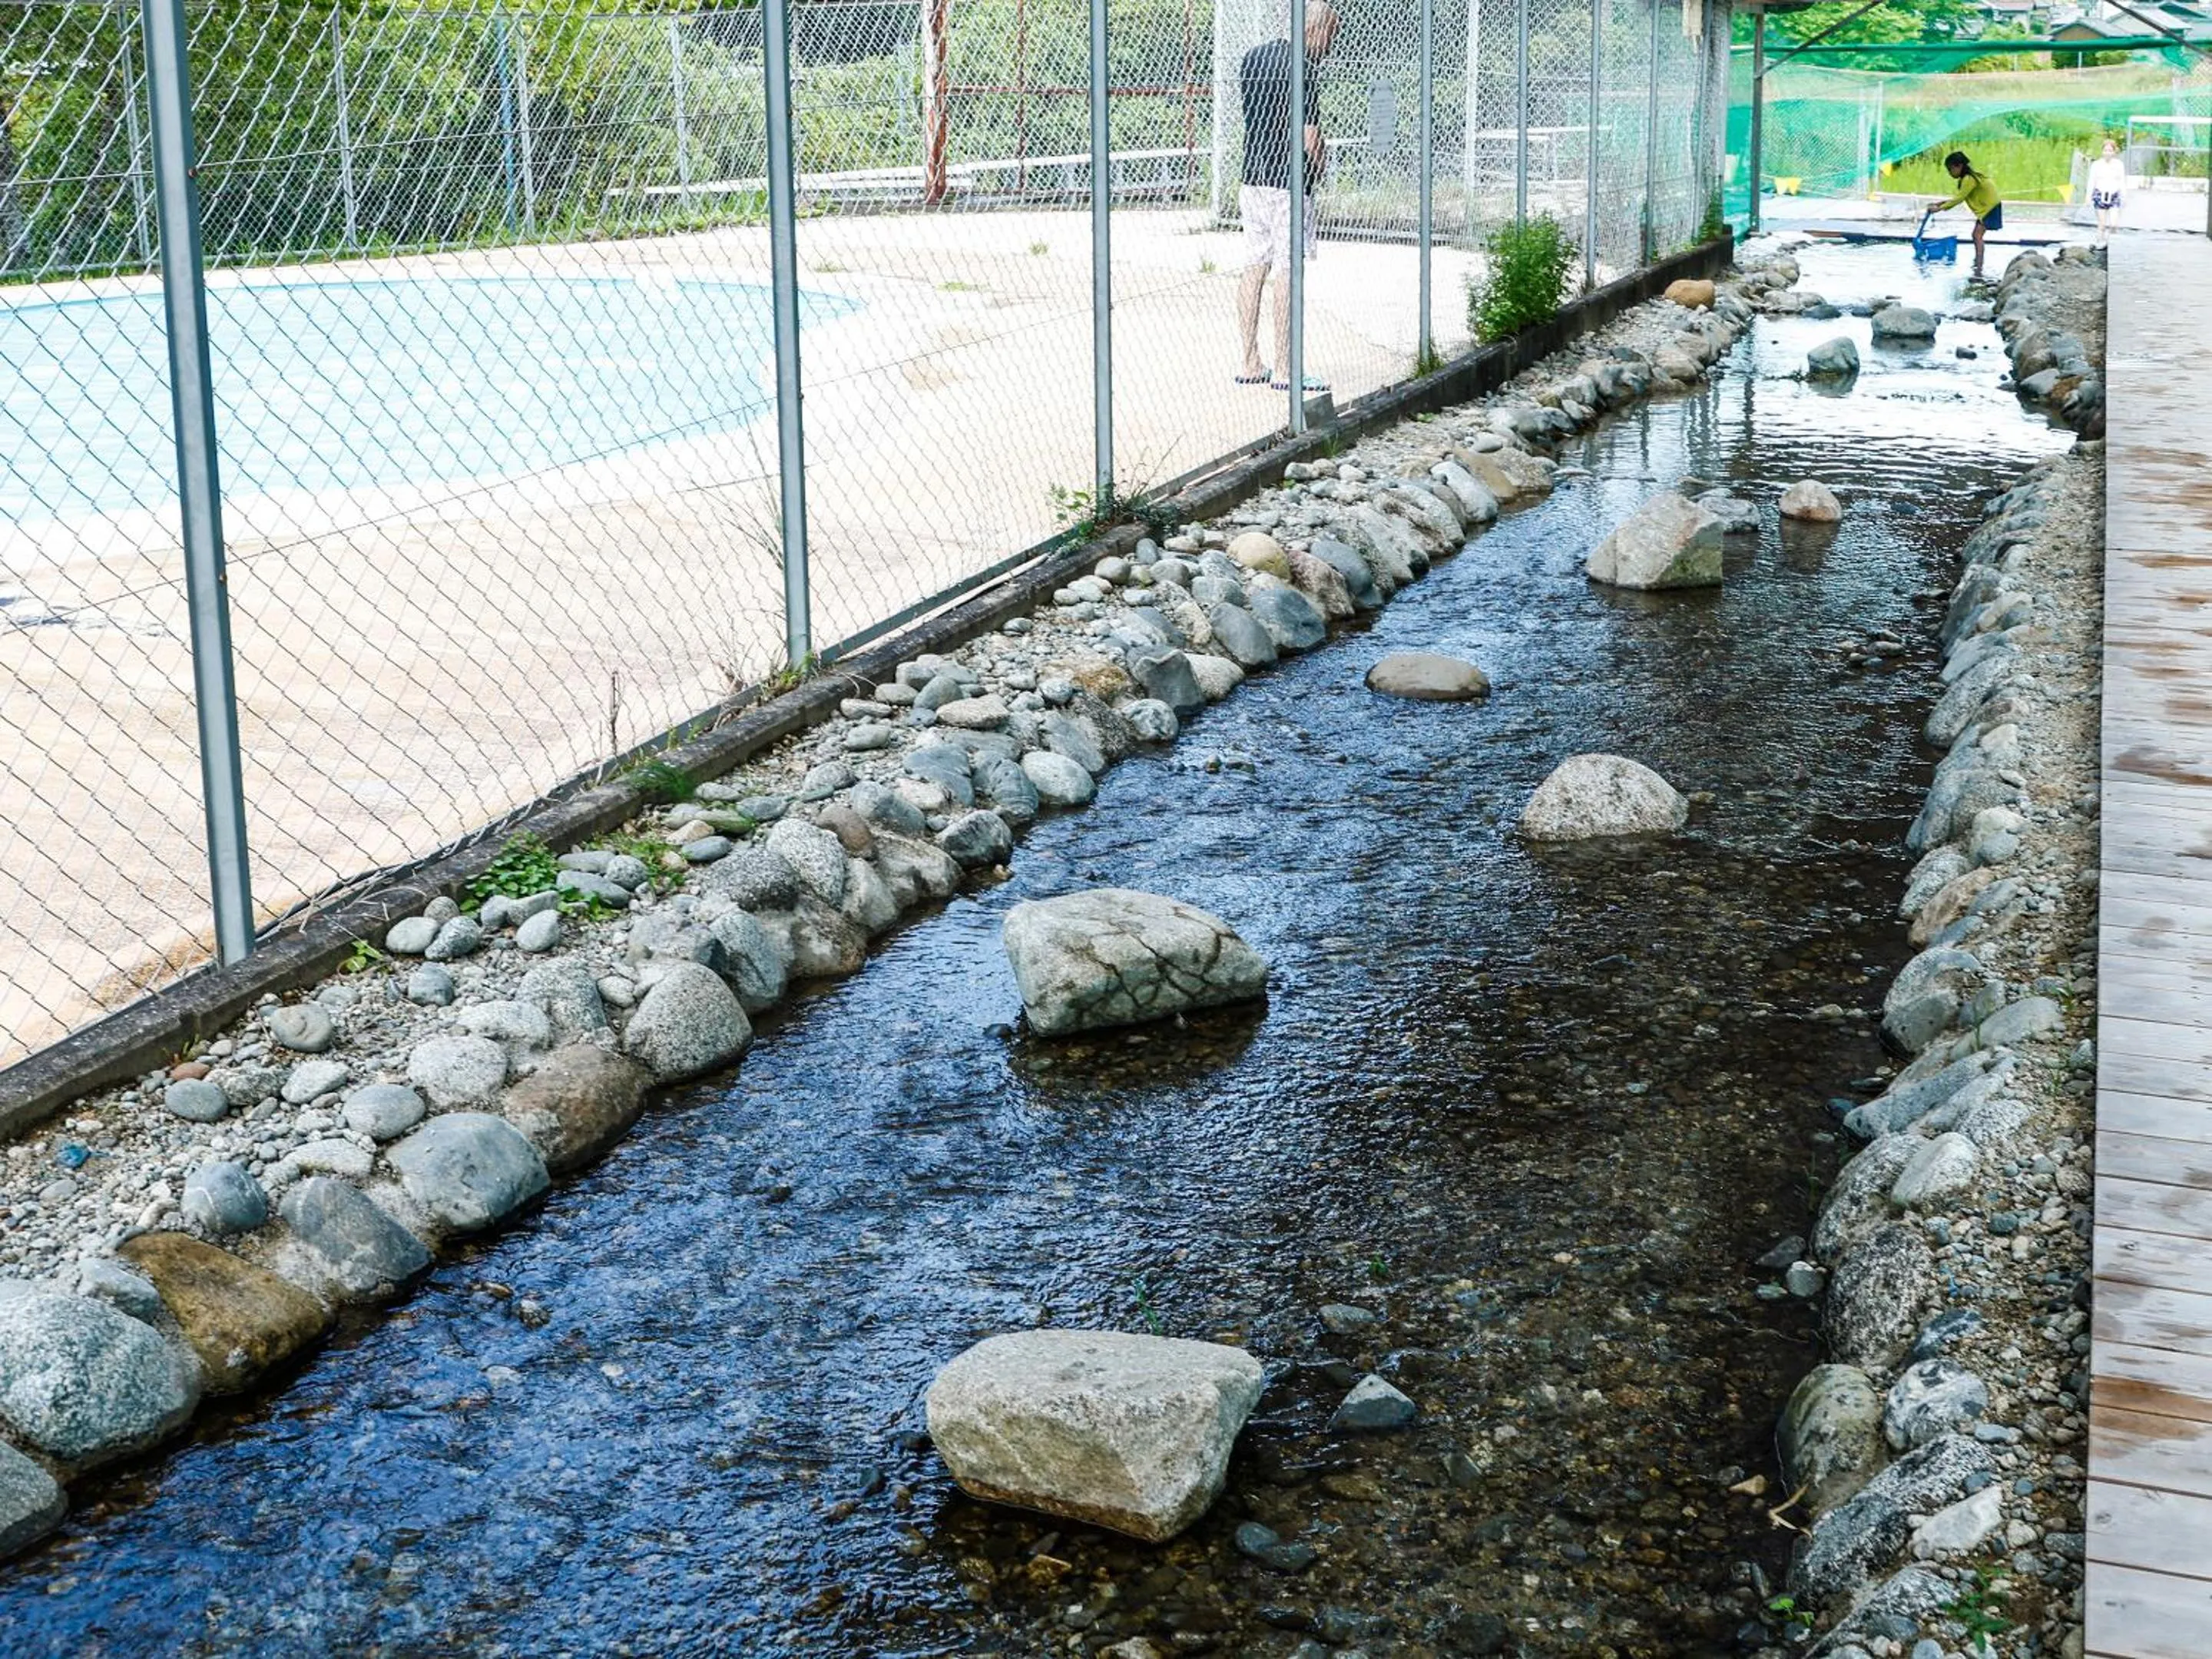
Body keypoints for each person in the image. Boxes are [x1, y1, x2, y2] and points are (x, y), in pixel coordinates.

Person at [1235, 2, 1339, 392]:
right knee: (1287, 270)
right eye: (1332, 33)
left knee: (1253, 265)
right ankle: (1285, 368)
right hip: (1288, 182)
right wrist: (1320, 166)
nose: (1332, 44)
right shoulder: (1304, 68)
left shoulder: (1253, 58)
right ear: (1316, 29)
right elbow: (1309, 138)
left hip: (1253, 177)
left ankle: (1249, 361)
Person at [1933, 150, 2002, 280]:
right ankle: (1978, 262)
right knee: (1976, 235)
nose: (1950, 173)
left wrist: (1940, 208)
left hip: (1989, 207)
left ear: (1959, 166)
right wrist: (1941, 204)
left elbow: (1959, 198)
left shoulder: (1969, 179)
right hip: (1988, 206)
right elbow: (1960, 197)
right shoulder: (1970, 178)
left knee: (1977, 235)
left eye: (1950, 169)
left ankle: (1979, 266)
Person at [2088, 137, 2124, 245]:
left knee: (2113, 224)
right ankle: (2100, 243)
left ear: (2114, 152)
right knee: (2102, 224)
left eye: (2110, 151)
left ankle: (2112, 242)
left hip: (2114, 194)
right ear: (2102, 151)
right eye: (2105, 150)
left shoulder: (2119, 164)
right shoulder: (2096, 165)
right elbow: (2092, 181)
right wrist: (2088, 195)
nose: (2107, 153)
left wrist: (2124, 194)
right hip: (2100, 194)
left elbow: (2122, 180)